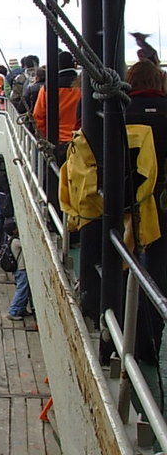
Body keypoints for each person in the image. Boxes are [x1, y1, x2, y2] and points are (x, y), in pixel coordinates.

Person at [125, 60, 167, 362]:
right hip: (161, 206)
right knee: (158, 272)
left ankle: (120, 337)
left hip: (125, 203)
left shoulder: (119, 110)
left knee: (122, 264)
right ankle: (151, 343)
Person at [33, 51, 81, 151]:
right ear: (74, 65)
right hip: (81, 141)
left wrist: (43, 138)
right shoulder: (84, 86)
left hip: (56, 142)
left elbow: (38, 116)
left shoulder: (47, 88)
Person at [5, 221, 30, 321]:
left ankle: (21, 309)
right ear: (14, 230)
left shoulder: (10, 240)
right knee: (22, 290)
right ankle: (13, 311)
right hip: (21, 269)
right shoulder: (16, 241)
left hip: (17, 269)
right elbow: (27, 245)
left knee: (24, 290)